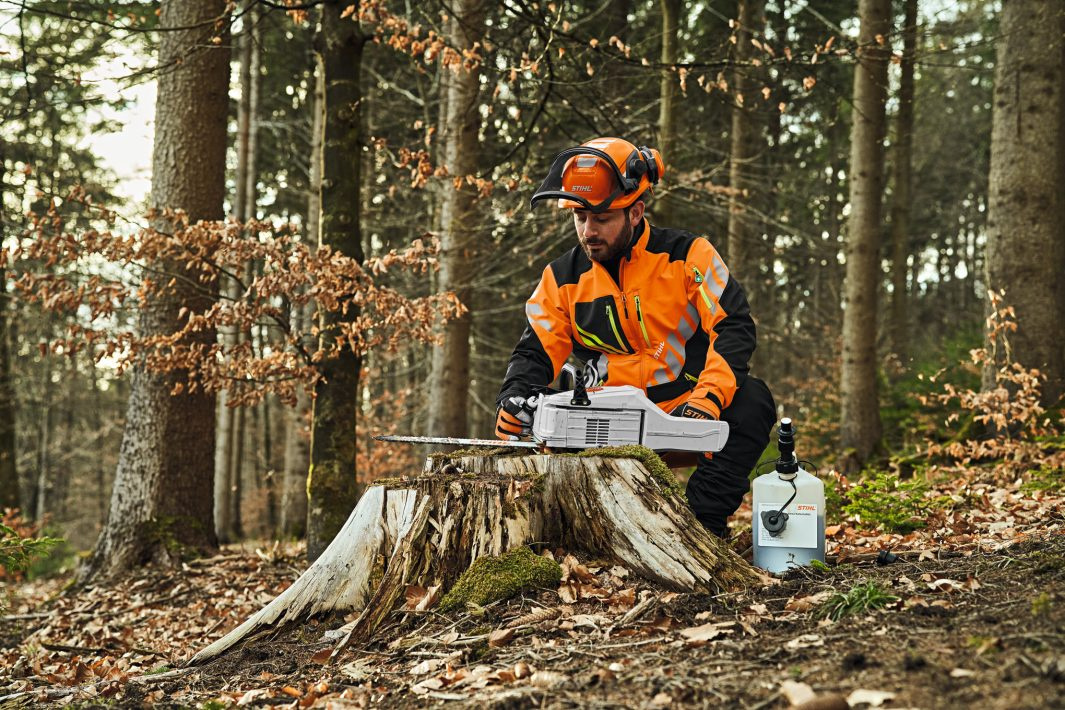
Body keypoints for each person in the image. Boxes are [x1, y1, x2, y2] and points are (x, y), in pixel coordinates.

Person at [494, 137, 776, 539]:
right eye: (579, 217)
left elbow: (733, 326)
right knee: (548, 425)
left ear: (636, 211)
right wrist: (514, 397)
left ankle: (702, 526)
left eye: (602, 218)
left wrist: (707, 399)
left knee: (752, 401)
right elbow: (535, 351)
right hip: (604, 421)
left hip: (684, 410)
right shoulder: (561, 279)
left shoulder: (688, 255)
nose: (588, 231)